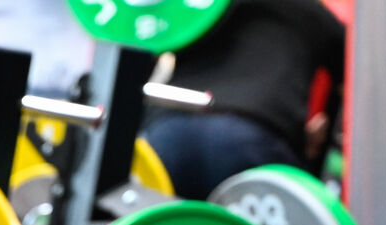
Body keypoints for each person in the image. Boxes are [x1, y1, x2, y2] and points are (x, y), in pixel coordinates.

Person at [143, 0, 346, 200]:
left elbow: (142, 44)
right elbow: (351, 74)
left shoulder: (199, 7)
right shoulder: (311, 11)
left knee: (163, 220)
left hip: (170, 128)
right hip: (253, 132)